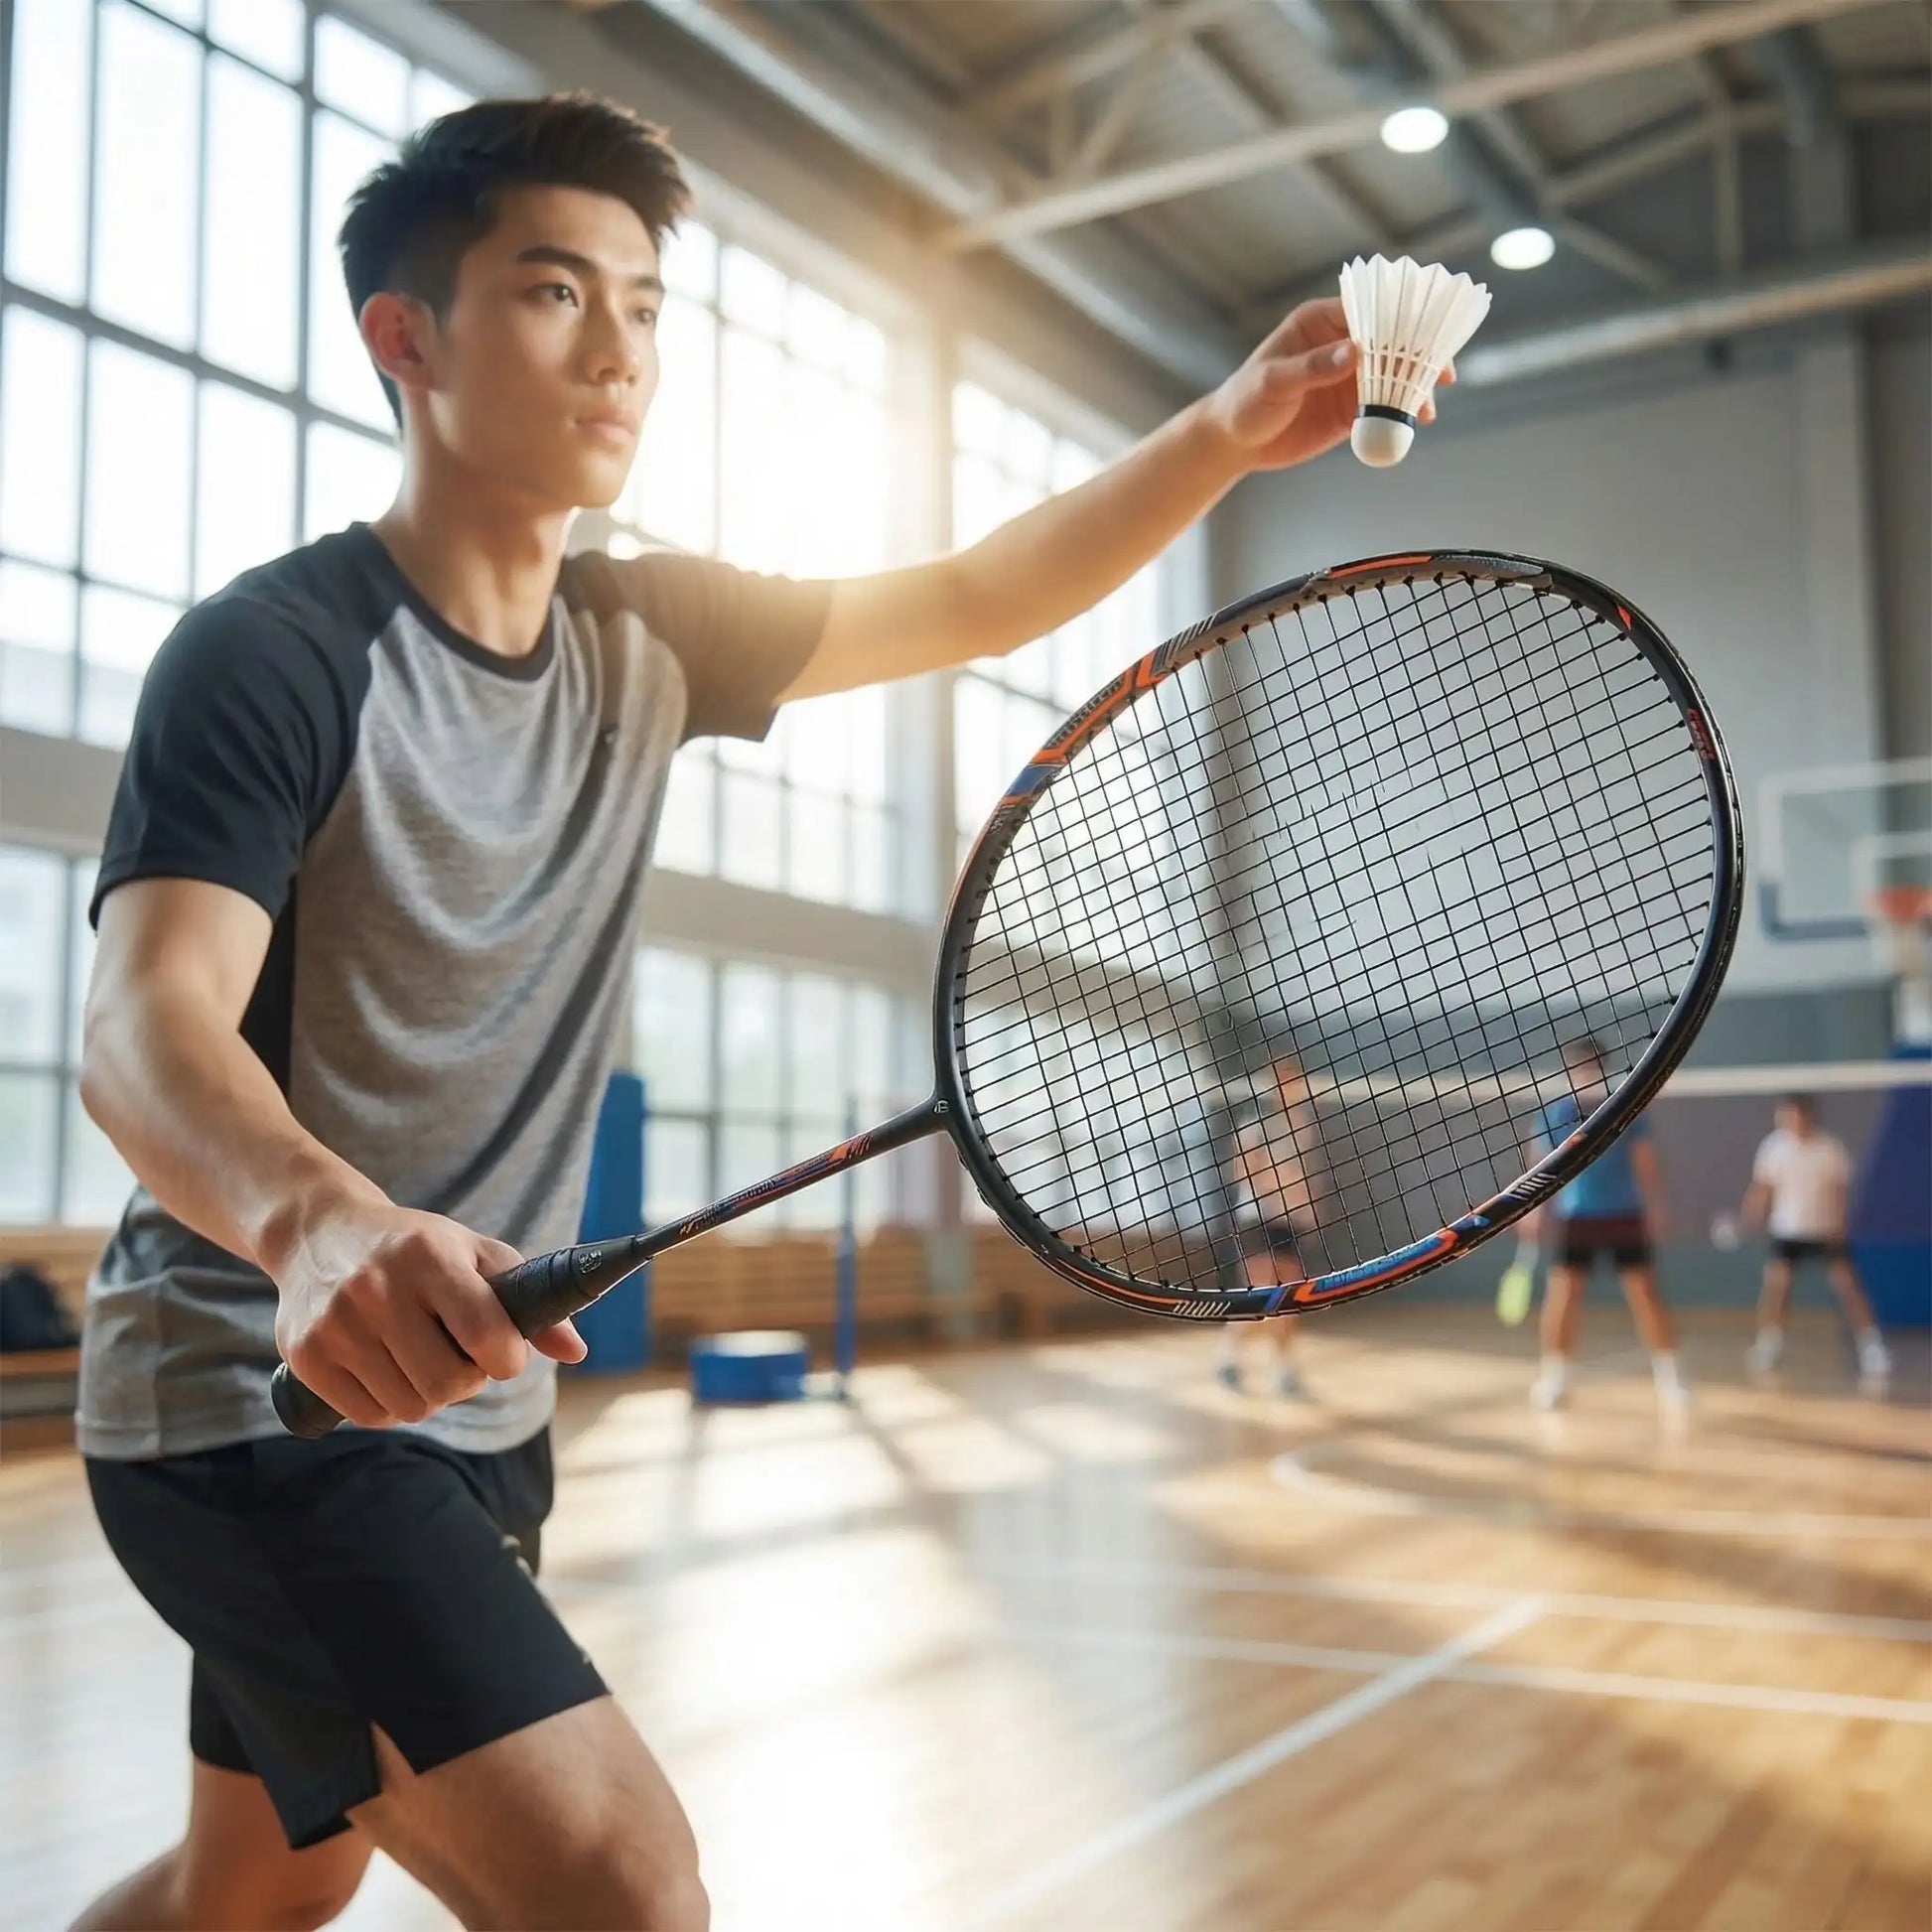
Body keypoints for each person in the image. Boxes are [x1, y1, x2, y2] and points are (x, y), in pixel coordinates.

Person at [70, 93, 1429, 1932]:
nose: (620, 348)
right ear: (406, 338)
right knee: (626, 1891)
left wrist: (1215, 436)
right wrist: (318, 1223)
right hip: (258, 1387)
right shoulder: (277, 654)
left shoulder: (656, 636)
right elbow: (146, 1016)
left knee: (252, 1899)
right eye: (556, 293)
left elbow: (968, 593)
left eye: (644, 303)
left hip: (475, 1409)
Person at [1524, 1038, 1688, 1417]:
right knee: (1563, 1297)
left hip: (1622, 1214)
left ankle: (1671, 1379)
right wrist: (1534, 1212)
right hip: (1576, 1218)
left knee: (1645, 1294)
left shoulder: (1625, 1108)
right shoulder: (1555, 1114)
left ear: (1603, 1067)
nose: (1586, 1072)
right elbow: (1539, 1169)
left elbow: (1645, 1162)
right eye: (1579, 1066)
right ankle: (1556, 1378)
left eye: (1593, 1065)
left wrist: (1657, 1206)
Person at [1739, 1094, 1890, 1382]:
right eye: (1785, 1117)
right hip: (1787, 1232)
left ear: (1808, 1116)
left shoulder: (1829, 1149)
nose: (1791, 1123)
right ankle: (1770, 1343)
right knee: (1777, 1287)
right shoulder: (1774, 1148)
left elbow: (1840, 1192)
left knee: (1847, 1285)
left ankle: (1871, 1346)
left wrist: (1840, 1224)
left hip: (1826, 1230)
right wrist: (1751, 1213)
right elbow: (1763, 1188)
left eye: (1796, 1116)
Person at [1216, 1058, 1322, 1397]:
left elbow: (1301, 1175)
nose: (1289, 1088)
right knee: (1261, 1294)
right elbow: (1244, 1167)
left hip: (1286, 1222)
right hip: (1254, 1219)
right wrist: (1278, 1190)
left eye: (1294, 1081)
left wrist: (1306, 1205)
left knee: (1289, 1296)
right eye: (1282, 1081)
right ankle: (1231, 1359)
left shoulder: (1303, 1126)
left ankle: (1285, 1370)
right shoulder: (1254, 1122)